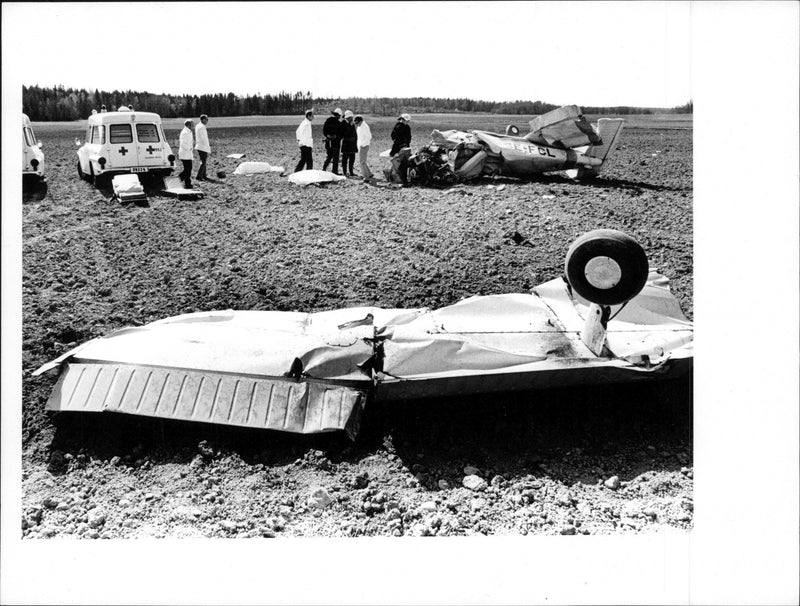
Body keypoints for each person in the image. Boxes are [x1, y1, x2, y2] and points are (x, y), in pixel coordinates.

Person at [390, 113, 412, 186]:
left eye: (407, 121)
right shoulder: (398, 127)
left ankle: (405, 179)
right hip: (399, 148)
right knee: (402, 165)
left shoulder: (407, 127)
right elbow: (394, 138)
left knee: (405, 164)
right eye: (406, 120)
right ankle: (404, 182)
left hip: (405, 148)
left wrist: (406, 144)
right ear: (402, 119)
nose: (407, 122)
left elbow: (409, 137)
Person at [322, 108, 343, 174]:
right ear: (338, 115)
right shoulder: (339, 123)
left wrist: (328, 136)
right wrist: (335, 137)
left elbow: (324, 131)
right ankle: (334, 171)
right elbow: (341, 134)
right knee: (335, 158)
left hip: (328, 142)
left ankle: (324, 169)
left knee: (329, 156)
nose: (339, 117)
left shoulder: (328, 120)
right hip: (336, 143)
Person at [354, 115, 373, 182]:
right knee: (363, 161)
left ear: (361, 121)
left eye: (357, 123)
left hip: (364, 146)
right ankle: (369, 174)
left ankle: (366, 177)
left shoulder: (364, 127)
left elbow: (369, 137)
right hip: (361, 145)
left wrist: (363, 145)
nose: (357, 124)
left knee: (361, 162)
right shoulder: (360, 127)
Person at [340, 110, 358, 177]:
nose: (352, 118)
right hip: (346, 144)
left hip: (352, 144)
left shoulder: (352, 124)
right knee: (345, 159)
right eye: (351, 117)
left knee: (352, 159)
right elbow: (342, 134)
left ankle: (351, 172)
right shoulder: (343, 123)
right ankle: (345, 172)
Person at [178, 119, 194, 188]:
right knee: (187, 169)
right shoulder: (185, 132)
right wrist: (189, 148)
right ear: (188, 125)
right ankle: (178, 180)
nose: (193, 126)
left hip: (188, 153)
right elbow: (183, 144)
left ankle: (187, 184)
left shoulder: (189, 131)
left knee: (188, 169)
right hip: (185, 153)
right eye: (192, 124)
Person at [194, 114, 210, 181]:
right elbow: (204, 139)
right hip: (202, 146)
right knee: (203, 162)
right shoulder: (202, 127)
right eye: (206, 119)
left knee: (204, 161)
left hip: (200, 146)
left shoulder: (198, 126)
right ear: (203, 119)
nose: (207, 121)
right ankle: (199, 176)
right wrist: (208, 148)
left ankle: (203, 175)